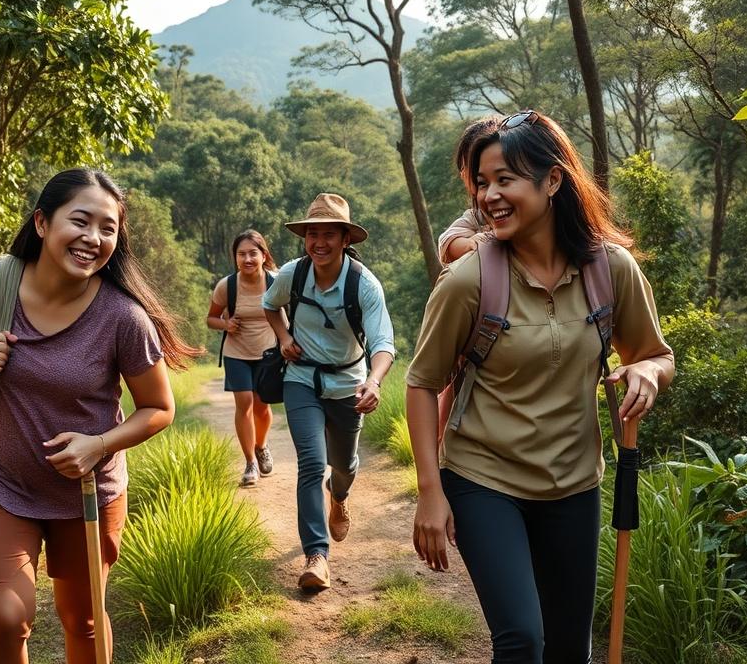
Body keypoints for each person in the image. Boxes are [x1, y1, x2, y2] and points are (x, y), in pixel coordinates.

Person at [406, 111, 675, 663]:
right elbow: (421, 383)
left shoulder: (611, 269)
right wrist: (431, 493)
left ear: (553, 181)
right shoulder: (468, 281)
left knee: (569, 647)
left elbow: (655, 354)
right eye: (482, 183)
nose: (489, 196)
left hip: (574, 483)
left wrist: (646, 372)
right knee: (522, 639)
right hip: (484, 478)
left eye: (505, 179)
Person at [0, 168, 199, 664]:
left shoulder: (123, 318)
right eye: (81, 221)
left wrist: (97, 445)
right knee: (7, 617)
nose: (93, 238)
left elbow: (160, 408)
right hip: (0, 482)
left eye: (108, 228)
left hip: (86, 493)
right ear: (41, 222)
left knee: (86, 621)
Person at [262, 193, 395, 591]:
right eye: (312, 234)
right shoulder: (293, 274)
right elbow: (270, 304)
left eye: (328, 234)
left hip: (347, 386)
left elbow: (383, 342)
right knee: (310, 463)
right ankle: (316, 556)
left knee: (344, 464)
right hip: (300, 379)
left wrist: (373, 381)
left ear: (344, 239)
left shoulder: (363, 285)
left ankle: (339, 497)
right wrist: (284, 336)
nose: (319, 242)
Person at [207, 229, 279, 486]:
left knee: (262, 406)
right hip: (236, 353)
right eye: (241, 254)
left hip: (268, 354)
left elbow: (290, 316)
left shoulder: (276, 282)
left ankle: (261, 446)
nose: (247, 259)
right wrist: (226, 325)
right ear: (235, 257)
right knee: (245, 403)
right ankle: (250, 462)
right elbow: (211, 319)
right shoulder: (227, 286)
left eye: (252, 253)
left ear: (263, 255)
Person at [437, 116, 501, 264]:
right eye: (473, 166)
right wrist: (470, 244)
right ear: (464, 176)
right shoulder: (477, 217)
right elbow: (447, 241)